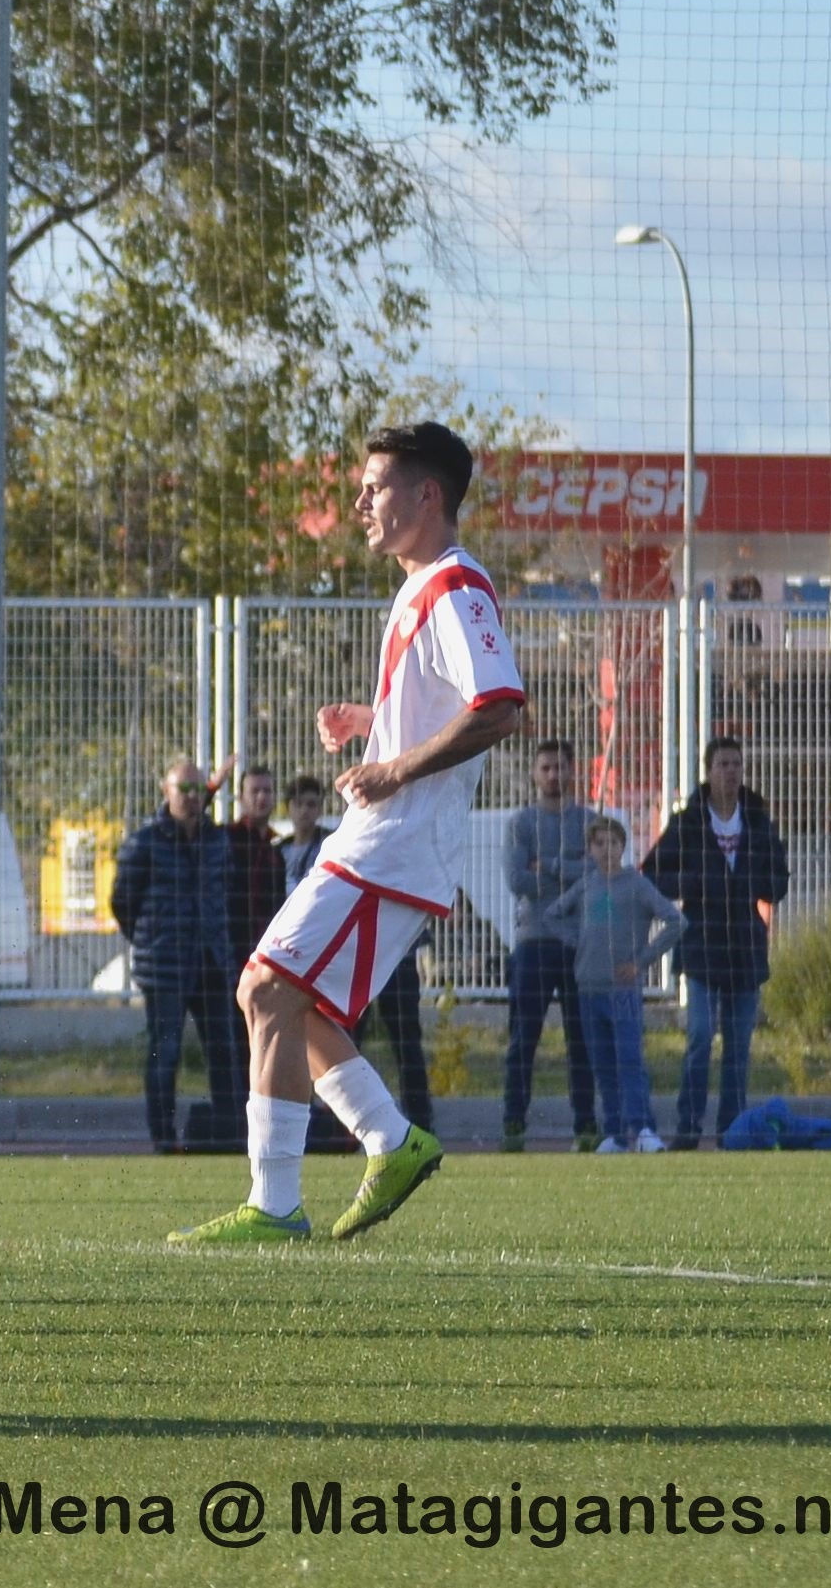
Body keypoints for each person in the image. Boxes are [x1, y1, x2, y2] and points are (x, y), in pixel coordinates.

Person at [174, 422, 524, 1246]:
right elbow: (443, 705)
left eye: (374, 486)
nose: (359, 502)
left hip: (390, 845)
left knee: (264, 990)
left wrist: (391, 770)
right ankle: (390, 1141)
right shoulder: (417, 589)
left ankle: (274, 1206)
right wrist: (374, 724)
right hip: (380, 840)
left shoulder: (454, 586)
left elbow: (500, 706)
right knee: (289, 1006)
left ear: (425, 494)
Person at [642, 734, 792, 1149]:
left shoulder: (758, 820)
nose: (730, 772)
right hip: (702, 945)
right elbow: (652, 871)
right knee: (700, 1036)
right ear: (708, 772)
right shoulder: (689, 822)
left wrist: (752, 885)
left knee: (739, 1046)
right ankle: (688, 1128)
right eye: (722, 764)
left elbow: (780, 879)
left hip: (746, 947)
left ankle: (732, 1131)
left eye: (736, 764)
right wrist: (697, 884)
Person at [113, 758, 240, 1154]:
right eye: (181, 789)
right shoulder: (144, 842)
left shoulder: (217, 840)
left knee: (225, 1052)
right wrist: (152, 941)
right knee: (164, 1053)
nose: (189, 797)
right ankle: (164, 1139)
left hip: (212, 963)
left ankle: (231, 1134)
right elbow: (122, 902)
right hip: (166, 967)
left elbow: (228, 896)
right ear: (165, 791)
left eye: (196, 789)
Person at [539, 815, 681, 1153]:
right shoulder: (586, 885)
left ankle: (644, 1129)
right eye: (599, 843)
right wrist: (580, 941)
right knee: (602, 1063)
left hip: (622, 990)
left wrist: (642, 960)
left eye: (613, 843)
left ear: (624, 847)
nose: (607, 850)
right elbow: (552, 916)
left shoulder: (637, 884)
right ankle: (616, 1134)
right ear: (589, 849)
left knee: (630, 1059)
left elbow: (676, 921)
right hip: (588, 987)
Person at [498, 737, 598, 1154]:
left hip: (578, 944)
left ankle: (587, 1125)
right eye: (547, 768)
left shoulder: (590, 822)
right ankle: (513, 1123)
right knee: (524, 1039)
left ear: (573, 771)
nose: (555, 775)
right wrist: (569, 874)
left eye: (561, 767)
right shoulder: (520, 824)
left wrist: (551, 866)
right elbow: (517, 880)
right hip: (534, 943)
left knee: (582, 1040)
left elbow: (597, 872)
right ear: (534, 774)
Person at [221, 764, 288, 973]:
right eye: (254, 791)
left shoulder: (276, 845)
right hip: (231, 950)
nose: (262, 798)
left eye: (267, 791)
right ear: (241, 798)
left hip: (267, 949)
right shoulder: (225, 837)